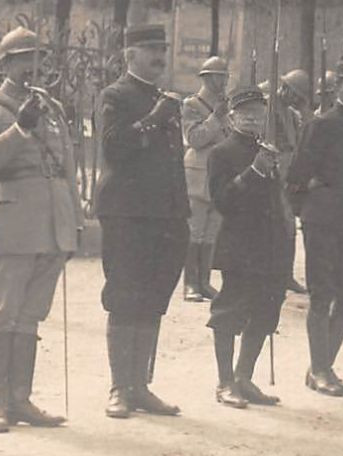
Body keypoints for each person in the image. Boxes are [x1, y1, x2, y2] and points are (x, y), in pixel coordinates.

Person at [0, 26, 78, 433]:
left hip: (51, 221)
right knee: (3, 312)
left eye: (40, 59)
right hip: (11, 220)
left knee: (31, 315)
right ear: (5, 64)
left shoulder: (54, 107)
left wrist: (74, 221)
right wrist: (20, 128)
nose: (34, 67)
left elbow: (67, 166)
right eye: (23, 59)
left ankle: (21, 398)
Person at [96, 24, 189, 418]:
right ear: (128, 54)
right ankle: (120, 387)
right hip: (128, 213)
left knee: (153, 299)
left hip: (166, 214)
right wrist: (154, 118)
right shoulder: (114, 95)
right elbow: (114, 148)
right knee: (125, 296)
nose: (158, 56)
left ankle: (141, 386)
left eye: (162, 48)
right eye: (149, 48)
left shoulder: (164, 99)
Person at [286, 59, 343, 395]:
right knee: (322, 295)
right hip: (323, 222)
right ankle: (322, 369)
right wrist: (312, 208)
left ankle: (321, 367)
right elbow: (295, 177)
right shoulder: (320, 125)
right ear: (337, 88)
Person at [206, 86, 288, 408]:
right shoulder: (221, 153)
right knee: (229, 312)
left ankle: (244, 377)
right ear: (232, 117)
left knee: (266, 312)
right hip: (239, 245)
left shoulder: (266, 150)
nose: (254, 120)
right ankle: (225, 382)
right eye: (247, 114)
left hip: (268, 245)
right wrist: (254, 171)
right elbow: (223, 201)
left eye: (259, 114)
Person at [181, 56, 230, 302]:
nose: (223, 81)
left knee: (211, 233)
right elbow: (195, 138)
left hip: (220, 177)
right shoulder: (192, 104)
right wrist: (215, 119)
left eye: (225, 76)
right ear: (207, 78)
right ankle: (190, 284)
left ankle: (205, 282)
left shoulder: (227, 107)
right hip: (198, 176)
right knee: (195, 231)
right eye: (219, 76)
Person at [273, 69, 310, 294]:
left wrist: (305, 110)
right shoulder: (267, 108)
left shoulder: (292, 114)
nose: (296, 100)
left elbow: (306, 133)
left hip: (289, 171)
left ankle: (285, 274)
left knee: (289, 227)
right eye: (295, 94)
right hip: (271, 169)